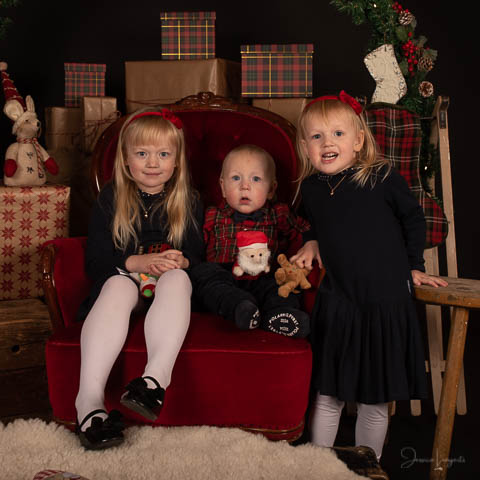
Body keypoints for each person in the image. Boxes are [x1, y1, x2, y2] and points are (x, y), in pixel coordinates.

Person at [291, 91, 448, 460]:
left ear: (358, 140)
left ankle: (368, 465)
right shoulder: (311, 189)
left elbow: (413, 218)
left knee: (374, 400)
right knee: (327, 394)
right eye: (317, 137)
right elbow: (309, 223)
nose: (327, 143)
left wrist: (414, 265)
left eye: (338, 134)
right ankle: (318, 465)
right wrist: (311, 241)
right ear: (305, 147)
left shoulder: (379, 176)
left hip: (383, 301)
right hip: (339, 302)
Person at [74, 108, 204, 450]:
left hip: (168, 288)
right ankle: (89, 403)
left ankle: (152, 383)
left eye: (163, 154)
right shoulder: (111, 197)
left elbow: (197, 256)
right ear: (126, 159)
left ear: (176, 162)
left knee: (179, 278)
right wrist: (139, 262)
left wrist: (180, 260)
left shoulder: (188, 200)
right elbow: (96, 262)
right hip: (125, 282)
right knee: (117, 284)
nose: (152, 163)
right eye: (142, 154)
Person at [191, 144, 311, 338]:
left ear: (271, 189)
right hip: (224, 276)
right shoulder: (212, 215)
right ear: (222, 187)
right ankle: (240, 308)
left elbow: (304, 231)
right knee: (204, 274)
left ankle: (280, 316)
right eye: (236, 178)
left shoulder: (278, 214)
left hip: (264, 277)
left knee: (284, 284)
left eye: (256, 179)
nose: (244, 186)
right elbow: (195, 246)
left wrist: (310, 245)